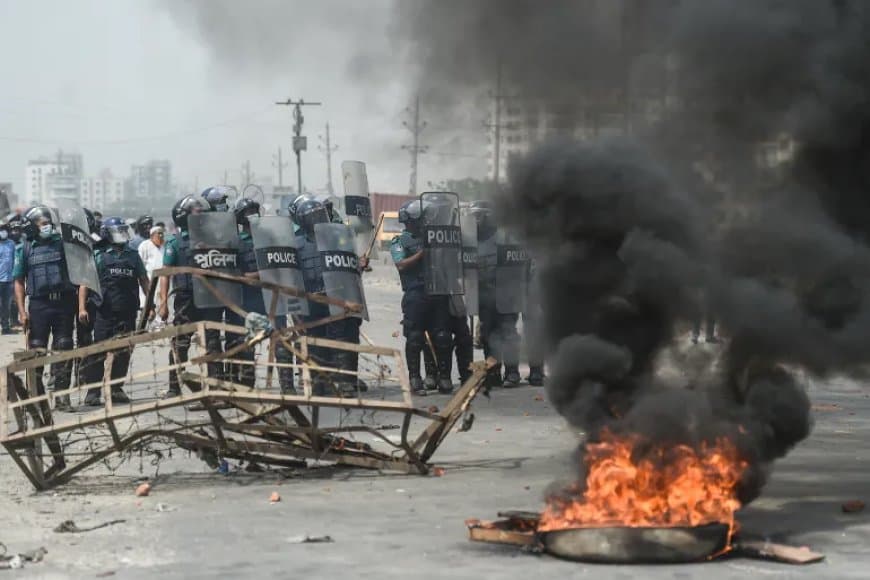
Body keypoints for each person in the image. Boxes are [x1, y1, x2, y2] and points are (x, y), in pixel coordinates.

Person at [296, 198, 368, 396]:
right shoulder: (297, 244)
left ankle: (343, 381)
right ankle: (320, 381)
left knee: (339, 338)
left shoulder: (337, 238)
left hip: (335, 296)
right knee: (314, 340)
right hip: (310, 299)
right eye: (312, 217)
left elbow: (348, 265)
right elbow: (290, 276)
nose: (317, 219)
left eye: (319, 214)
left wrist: (358, 264)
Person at [13, 206, 78, 411]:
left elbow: (80, 266)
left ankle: (61, 397)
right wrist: (22, 312)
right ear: (32, 227)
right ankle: (36, 398)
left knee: (64, 347)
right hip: (39, 306)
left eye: (48, 222)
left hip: (64, 304)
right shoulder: (25, 248)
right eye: (42, 223)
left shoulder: (62, 244)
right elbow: (18, 281)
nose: (47, 226)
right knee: (37, 350)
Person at [158, 195, 223, 398]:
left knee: (212, 341)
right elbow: (165, 273)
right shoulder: (175, 242)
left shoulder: (212, 239)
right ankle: (174, 386)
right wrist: (162, 303)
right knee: (181, 341)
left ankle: (214, 386)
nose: (201, 214)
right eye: (196, 211)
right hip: (185, 298)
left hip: (209, 296)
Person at [80, 218, 149, 406]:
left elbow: (144, 280)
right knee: (98, 352)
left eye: (122, 230)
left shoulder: (133, 255)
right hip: (104, 312)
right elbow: (85, 283)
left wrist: (150, 305)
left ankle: (116, 388)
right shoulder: (99, 255)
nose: (121, 235)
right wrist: (82, 308)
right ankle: (93, 392)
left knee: (123, 351)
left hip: (127, 311)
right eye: (117, 231)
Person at [390, 199, 453, 396]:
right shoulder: (400, 241)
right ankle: (415, 379)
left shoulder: (436, 237)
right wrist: (423, 253)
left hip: (438, 291)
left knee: (442, 337)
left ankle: (444, 378)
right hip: (416, 293)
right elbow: (401, 264)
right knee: (415, 337)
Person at [471, 200, 524, 389]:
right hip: (484, 294)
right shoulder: (470, 238)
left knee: (508, 333)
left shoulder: (506, 237)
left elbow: (519, 262)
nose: (475, 220)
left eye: (478, 216)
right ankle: (492, 373)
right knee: (487, 334)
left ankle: (512, 373)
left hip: (506, 293)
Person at [226, 197, 265, 387]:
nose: (253, 216)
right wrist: (255, 275)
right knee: (235, 339)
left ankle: (248, 381)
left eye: (254, 211)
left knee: (252, 339)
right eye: (248, 213)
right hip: (239, 296)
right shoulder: (235, 241)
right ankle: (232, 379)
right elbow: (231, 270)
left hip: (261, 297)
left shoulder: (266, 238)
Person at [137, 225, 165, 304]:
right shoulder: (144, 245)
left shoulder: (165, 246)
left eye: (162, 233)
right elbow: (140, 264)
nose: (161, 236)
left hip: (163, 282)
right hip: (149, 282)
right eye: (159, 234)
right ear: (152, 235)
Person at [0, 222, 15, 334]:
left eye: (4, 229)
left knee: (7, 305)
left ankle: (5, 327)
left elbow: (15, 260)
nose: (3, 231)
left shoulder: (11, 244)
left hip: (9, 280)